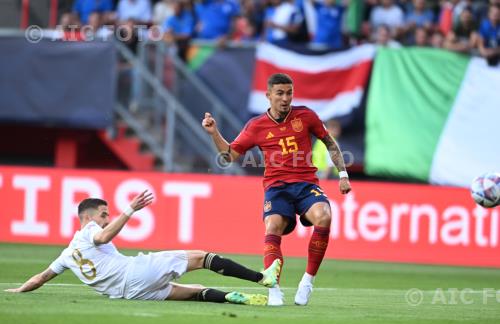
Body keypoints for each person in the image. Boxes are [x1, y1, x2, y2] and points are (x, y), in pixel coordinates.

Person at [202, 73, 351, 306]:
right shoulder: (256, 126)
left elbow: (330, 142)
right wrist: (214, 134)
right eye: (279, 93)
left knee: (324, 216)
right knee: (273, 227)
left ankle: (307, 282)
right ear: (268, 95)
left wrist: (343, 174)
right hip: (276, 188)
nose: (285, 98)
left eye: (289, 93)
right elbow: (229, 155)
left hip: (306, 184)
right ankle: (274, 289)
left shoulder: (306, 116)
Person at [5, 190, 281, 306]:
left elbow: (40, 278)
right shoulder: (90, 231)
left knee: (195, 292)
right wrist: (130, 210)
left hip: (129, 294)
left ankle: (238, 298)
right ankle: (262, 278)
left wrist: (18, 290)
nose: (107, 218)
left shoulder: (66, 255)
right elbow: (102, 238)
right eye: (104, 214)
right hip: (135, 273)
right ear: (88, 218)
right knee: (201, 257)